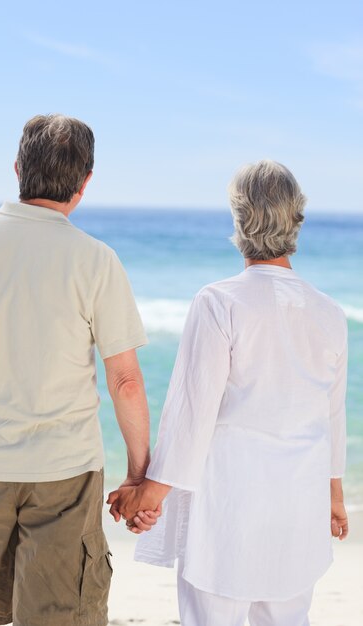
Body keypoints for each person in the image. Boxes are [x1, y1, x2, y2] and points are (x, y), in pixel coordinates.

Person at [0, 113, 158, 626]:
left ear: (17, 168)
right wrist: (140, 475)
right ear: (85, 182)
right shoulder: (95, 260)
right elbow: (125, 381)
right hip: (65, 472)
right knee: (61, 615)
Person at [108, 160, 349, 626]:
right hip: (298, 509)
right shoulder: (329, 312)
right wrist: (333, 497)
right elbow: (331, 418)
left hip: (228, 510)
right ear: (295, 220)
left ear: (239, 220)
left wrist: (149, 493)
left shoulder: (218, 302)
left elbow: (192, 415)